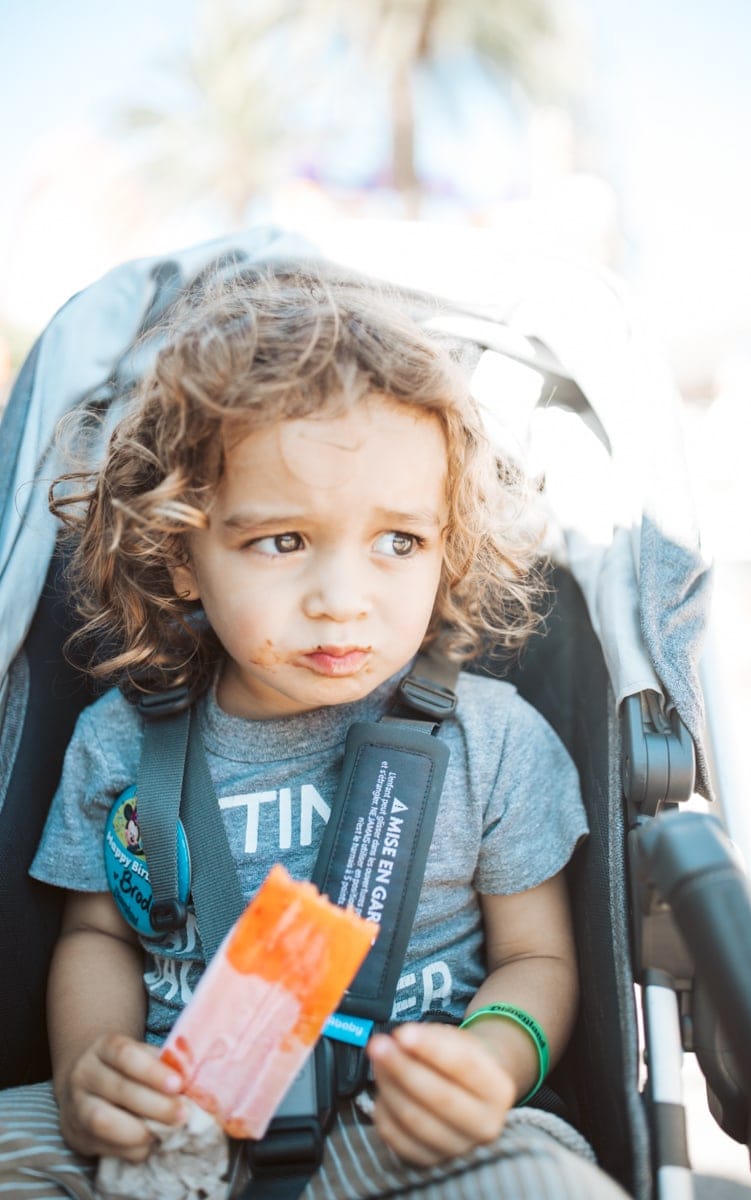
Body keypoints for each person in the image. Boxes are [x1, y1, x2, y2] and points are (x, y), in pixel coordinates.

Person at [0, 263, 629, 1199]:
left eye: (399, 543)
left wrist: (492, 1065)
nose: (344, 602)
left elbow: (536, 957)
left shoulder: (492, 740)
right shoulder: (121, 741)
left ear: (446, 545)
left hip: (404, 1118)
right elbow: (98, 930)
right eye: (283, 541)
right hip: (174, 1109)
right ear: (181, 556)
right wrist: (96, 1061)